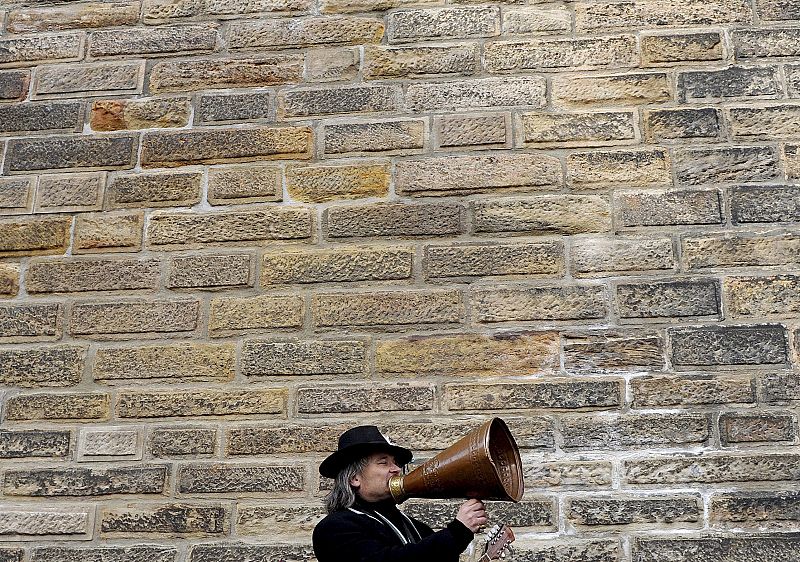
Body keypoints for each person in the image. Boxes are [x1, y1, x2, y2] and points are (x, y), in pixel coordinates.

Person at [312, 425, 487, 562]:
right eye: (383, 462)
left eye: (396, 463)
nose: (396, 469)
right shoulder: (334, 528)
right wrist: (458, 532)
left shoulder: (417, 527)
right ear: (354, 478)